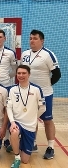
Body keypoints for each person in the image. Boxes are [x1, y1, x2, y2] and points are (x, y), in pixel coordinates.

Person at [21, 29, 61, 159]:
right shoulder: (25, 54)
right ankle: (33, 143)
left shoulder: (48, 54)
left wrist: (45, 87)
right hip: (29, 94)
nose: (32, 40)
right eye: (31, 38)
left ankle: (51, 147)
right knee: (31, 119)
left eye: (35, 38)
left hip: (45, 94)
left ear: (42, 41)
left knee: (47, 120)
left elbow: (57, 74)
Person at [7, 65, 46, 168]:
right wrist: (12, 122)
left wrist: (35, 117)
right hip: (17, 122)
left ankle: (16, 145)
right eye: (19, 73)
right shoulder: (12, 90)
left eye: (24, 73)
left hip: (30, 126)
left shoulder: (36, 89)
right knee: (14, 132)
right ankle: (16, 157)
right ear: (16, 75)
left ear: (29, 74)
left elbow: (43, 108)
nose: (21, 75)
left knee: (26, 160)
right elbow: (9, 108)